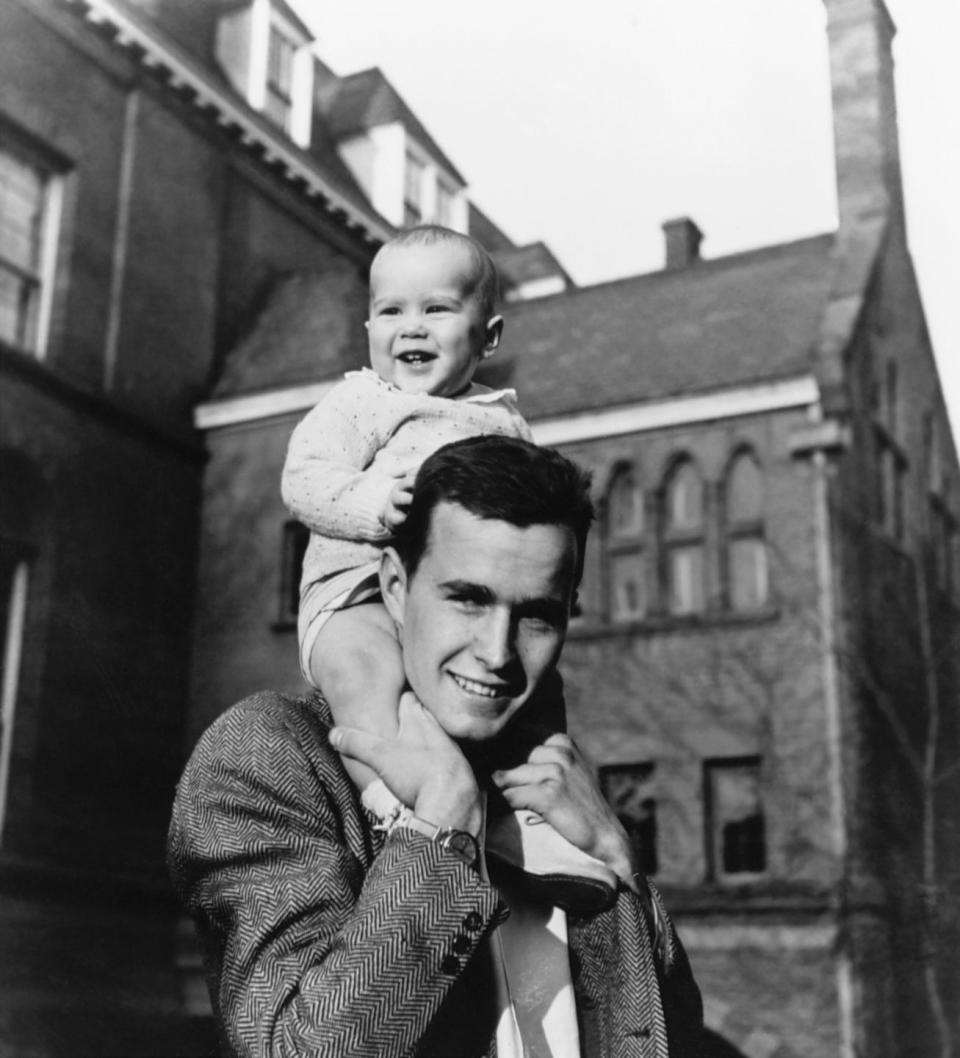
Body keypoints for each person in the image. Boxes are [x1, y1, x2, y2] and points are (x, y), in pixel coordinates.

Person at [168, 435, 704, 1058]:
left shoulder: (557, 796)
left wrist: (617, 858)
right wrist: (439, 832)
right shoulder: (270, 757)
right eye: (468, 599)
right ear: (395, 586)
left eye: (536, 615)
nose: (497, 652)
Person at [280, 224, 614, 907]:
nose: (413, 328)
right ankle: (391, 801)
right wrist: (370, 503)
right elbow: (304, 478)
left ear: (487, 336)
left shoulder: (502, 424)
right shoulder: (363, 402)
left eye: (436, 309)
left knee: (539, 692)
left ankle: (530, 819)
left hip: (447, 597)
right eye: (393, 311)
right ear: (368, 325)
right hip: (352, 586)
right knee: (363, 668)